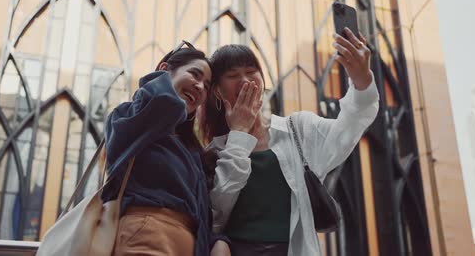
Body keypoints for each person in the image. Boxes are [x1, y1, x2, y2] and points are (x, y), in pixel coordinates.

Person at [201, 28, 379, 255]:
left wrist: (361, 78)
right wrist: (239, 134)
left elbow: (351, 125)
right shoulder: (213, 152)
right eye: (233, 76)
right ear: (217, 91)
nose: (245, 80)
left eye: (251, 71)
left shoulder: (298, 129)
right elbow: (215, 216)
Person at [101, 41, 230, 256]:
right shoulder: (132, 115)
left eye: (206, 86)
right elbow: (162, 102)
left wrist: (218, 241)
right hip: (147, 235)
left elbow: (200, 209)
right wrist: (162, 82)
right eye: (195, 75)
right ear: (163, 70)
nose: (200, 87)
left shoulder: (191, 149)